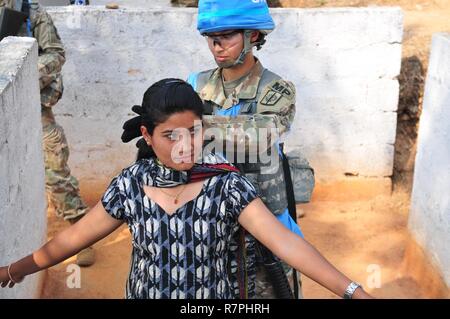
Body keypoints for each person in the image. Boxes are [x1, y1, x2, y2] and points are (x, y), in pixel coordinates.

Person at [0, 79, 373, 300]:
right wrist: (13, 271)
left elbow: (286, 243)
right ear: (147, 135)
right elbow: (73, 239)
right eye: (170, 135)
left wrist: (353, 291)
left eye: (193, 132)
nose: (184, 145)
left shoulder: (227, 186)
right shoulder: (130, 186)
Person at [185, 0, 308, 298]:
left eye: (226, 35)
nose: (217, 46)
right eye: (211, 38)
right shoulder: (196, 83)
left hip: (264, 222)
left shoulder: (275, 89)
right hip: (211, 220)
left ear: (253, 36)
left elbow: (262, 135)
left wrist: (195, 128)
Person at [0, 0, 94, 266]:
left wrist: (17, 73)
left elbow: (55, 54)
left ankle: (81, 232)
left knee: (54, 167)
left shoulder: (31, 11)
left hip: (33, 102)